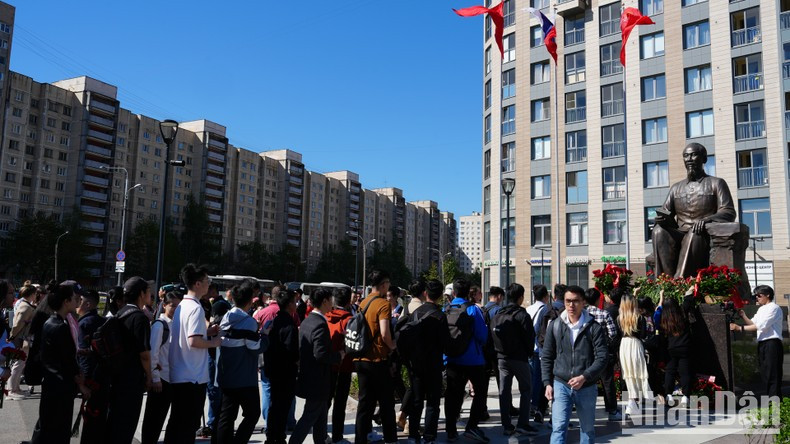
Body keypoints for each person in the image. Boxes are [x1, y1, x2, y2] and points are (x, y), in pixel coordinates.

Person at [652, 143, 737, 278]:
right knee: (658, 231)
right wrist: (661, 219)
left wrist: (706, 220)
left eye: (693, 154)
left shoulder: (717, 183)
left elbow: (728, 211)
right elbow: (665, 211)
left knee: (694, 232)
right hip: (679, 232)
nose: (689, 159)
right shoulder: (676, 188)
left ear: (704, 159)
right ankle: (663, 282)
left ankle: (681, 283)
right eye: (686, 156)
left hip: (702, 233)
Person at [541, 285, 608, 444]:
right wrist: (547, 383)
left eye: (576, 301)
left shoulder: (594, 327)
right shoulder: (555, 325)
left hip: (586, 386)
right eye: (568, 301)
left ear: (583, 302)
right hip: (561, 383)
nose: (571, 305)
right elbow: (547, 356)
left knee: (587, 430)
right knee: (558, 428)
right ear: (563, 302)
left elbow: (602, 357)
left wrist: (585, 376)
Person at [166, 264, 222, 444]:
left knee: (177, 424)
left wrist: (208, 333)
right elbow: (193, 341)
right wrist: (214, 342)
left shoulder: (182, 305)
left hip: (180, 373)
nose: (209, 284)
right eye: (207, 281)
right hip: (192, 377)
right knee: (187, 426)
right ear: (197, 284)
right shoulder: (196, 308)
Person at [30, 281, 91, 444]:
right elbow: (67, 361)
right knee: (58, 430)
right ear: (66, 301)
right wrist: (81, 384)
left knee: (47, 427)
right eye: (74, 298)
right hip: (61, 386)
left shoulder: (52, 321)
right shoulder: (60, 326)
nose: (77, 301)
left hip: (52, 384)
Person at [103, 277, 154, 443]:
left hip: (117, 375)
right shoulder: (139, 317)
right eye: (148, 291)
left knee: (115, 422)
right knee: (126, 424)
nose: (150, 294)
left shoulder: (121, 312)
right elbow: (144, 354)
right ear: (141, 294)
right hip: (132, 379)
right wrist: (149, 376)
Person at [290, 289, 342, 444]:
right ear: (325, 301)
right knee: (309, 417)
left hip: (310, 377)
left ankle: (321, 440)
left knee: (320, 417)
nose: (332, 303)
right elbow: (320, 354)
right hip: (317, 380)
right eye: (331, 300)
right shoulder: (320, 324)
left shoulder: (307, 320)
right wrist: (339, 356)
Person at [217, 284, 265, 444]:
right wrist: (265, 337)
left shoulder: (227, 316)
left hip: (226, 373)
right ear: (250, 301)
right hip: (244, 376)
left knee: (227, 416)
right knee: (252, 413)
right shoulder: (249, 322)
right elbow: (254, 348)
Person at [354, 270, 397, 444]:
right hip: (378, 359)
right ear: (383, 284)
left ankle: (360, 438)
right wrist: (393, 345)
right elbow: (385, 332)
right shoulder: (383, 304)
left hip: (360, 358)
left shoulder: (362, 303)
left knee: (365, 404)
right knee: (386, 403)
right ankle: (390, 439)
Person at [402, 279, 448, 444]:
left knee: (416, 401)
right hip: (434, 364)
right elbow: (445, 342)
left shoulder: (415, 312)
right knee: (433, 403)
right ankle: (429, 436)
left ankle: (413, 435)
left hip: (416, 364)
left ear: (425, 293)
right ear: (441, 295)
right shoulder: (440, 315)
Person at [444, 278, 489, 443]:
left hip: (452, 359)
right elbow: (482, 336)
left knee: (452, 394)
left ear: (454, 293)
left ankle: (450, 430)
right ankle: (471, 426)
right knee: (480, 393)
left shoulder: (446, 309)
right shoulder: (473, 310)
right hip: (473, 359)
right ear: (468, 292)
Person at [491, 283, 536, 436]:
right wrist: (529, 353)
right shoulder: (522, 315)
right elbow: (529, 338)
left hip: (501, 358)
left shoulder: (499, 313)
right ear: (521, 297)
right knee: (526, 389)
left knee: (504, 391)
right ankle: (523, 423)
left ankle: (506, 425)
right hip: (519, 358)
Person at [141, 291, 182, 444]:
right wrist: (155, 378)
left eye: (179, 306)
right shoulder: (160, 325)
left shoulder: (176, 325)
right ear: (164, 305)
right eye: (173, 306)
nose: (176, 309)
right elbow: (152, 353)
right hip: (161, 380)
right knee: (154, 419)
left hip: (172, 379)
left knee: (163, 418)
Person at [729, 285, 784, 398]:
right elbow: (753, 324)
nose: (756, 298)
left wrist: (739, 328)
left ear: (768, 295)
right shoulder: (761, 309)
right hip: (763, 343)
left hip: (772, 343)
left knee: (773, 374)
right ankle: (770, 400)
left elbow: (761, 326)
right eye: (755, 296)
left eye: (759, 295)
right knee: (765, 374)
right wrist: (743, 316)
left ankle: (775, 403)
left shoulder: (774, 307)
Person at [264, 289, 299, 444]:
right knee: (282, 406)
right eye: (295, 301)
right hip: (285, 372)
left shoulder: (276, 320)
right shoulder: (289, 325)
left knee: (275, 403)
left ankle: (272, 435)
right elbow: (291, 352)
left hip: (273, 369)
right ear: (290, 304)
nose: (297, 304)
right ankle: (278, 436)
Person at [583, 288, 621, 421]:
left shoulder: (582, 315)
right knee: (607, 382)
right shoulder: (604, 314)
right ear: (598, 299)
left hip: (586, 353)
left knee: (586, 382)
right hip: (602, 353)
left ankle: (586, 411)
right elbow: (613, 334)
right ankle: (612, 411)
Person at [76, 290, 108, 444]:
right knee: (99, 416)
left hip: (91, 377)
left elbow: (83, 356)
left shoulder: (84, 323)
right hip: (103, 374)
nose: (77, 302)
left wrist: (84, 382)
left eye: (80, 300)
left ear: (87, 304)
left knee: (90, 416)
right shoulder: (102, 321)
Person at [654, 291, 695, 407]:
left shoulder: (663, 319)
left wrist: (661, 297)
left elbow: (658, 309)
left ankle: (668, 394)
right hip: (685, 346)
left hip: (670, 348)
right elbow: (687, 300)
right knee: (685, 372)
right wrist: (689, 291)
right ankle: (686, 397)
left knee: (670, 371)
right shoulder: (681, 314)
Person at [327, 287, 354, 444]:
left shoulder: (326, 317)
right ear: (349, 301)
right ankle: (337, 436)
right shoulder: (350, 320)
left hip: (328, 365)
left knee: (326, 401)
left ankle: (322, 433)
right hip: (344, 366)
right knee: (340, 403)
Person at [618, 295, 652, 416]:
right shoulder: (640, 318)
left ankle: (632, 401)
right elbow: (643, 335)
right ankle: (634, 401)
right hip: (635, 344)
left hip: (624, 345)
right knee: (638, 371)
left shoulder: (620, 318)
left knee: (628, 373)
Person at [8, 283, 36, 400]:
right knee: (18, 364)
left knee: (20, 364)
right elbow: (18, 323)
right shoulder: (26, 306)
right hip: (20, 338)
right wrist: (12, 336)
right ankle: (12, 389)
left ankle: (16, 388)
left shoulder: (25, 305)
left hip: (21, 338)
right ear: (32, 294)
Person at [526, 285, 549, 423]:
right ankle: (536, 405)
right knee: (539, 379)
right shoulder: (545, 309)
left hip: (529, 348)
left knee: (532, 378)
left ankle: (532, 403)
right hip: (539, 348)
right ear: (546, 296)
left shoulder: (528, 309)